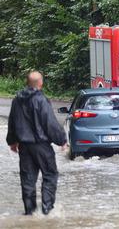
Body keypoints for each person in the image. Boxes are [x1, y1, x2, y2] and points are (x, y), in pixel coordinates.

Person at [6, 71, 67, 215]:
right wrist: (62, 140)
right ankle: (46, 210)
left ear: (27, 83)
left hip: (24, 147)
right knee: (50, 175)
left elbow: (12, 122)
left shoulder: (17, 100)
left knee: (27, 179)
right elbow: (49, 123)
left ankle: (29, 212)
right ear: (41, 83)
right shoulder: (41, 99)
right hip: (42, 146)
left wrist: (12, 141)